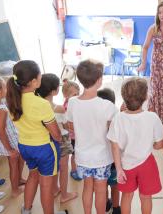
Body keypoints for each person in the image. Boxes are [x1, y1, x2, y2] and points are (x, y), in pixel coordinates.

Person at [6, 60, 66, 214]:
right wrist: (60, 139)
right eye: (39, 75)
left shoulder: (12, 99)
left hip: (25, 146)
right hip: (45, 148)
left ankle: (26, 209)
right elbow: (56, 134)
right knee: (46, 186)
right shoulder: (41, 103)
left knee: (33, 176)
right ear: (33, 81)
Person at [66, 60, 117, 214]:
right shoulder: (107, 106)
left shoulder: (73, 102)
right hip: (101, 157)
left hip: (82, 156)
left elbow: (70, 126)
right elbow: (115, 131)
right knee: (101, 190)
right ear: (99, 81)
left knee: (87, 187)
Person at [107, 77, 163, 214]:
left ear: (123, 96)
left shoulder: (118, 118)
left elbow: (114, 146)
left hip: (126, 165)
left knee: (126, 196)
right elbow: (159, 144)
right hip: (147, 164)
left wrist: (119, 168)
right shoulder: (152, 117)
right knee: (146, 197)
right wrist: (154, 145)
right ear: (145, 97)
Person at [36, 73, 78, 204]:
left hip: (46, 140)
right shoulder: (58, 108)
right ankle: (64, 195)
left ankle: (54, 189)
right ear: (54, 91)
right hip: (61, 139)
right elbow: (66, 125)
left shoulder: (37, 105)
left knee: (54, 166)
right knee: (64, 168)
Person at [97, 87, 121, 214]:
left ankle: (105, 203)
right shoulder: (116, 115)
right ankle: (116, 208)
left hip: (100, 159)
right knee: (115, 185)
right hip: (113, 158)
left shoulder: (95, 116)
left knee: (103, 184)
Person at [61, 79, 81, 181]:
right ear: (66, 96)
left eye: (78, 93)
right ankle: (74, 170)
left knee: (77, 153)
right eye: (74, 94)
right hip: (73, 135)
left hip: (76, 134)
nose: (77, 95)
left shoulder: (71, 103)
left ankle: (77, 167)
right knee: (74, 154)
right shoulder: (68, 106)